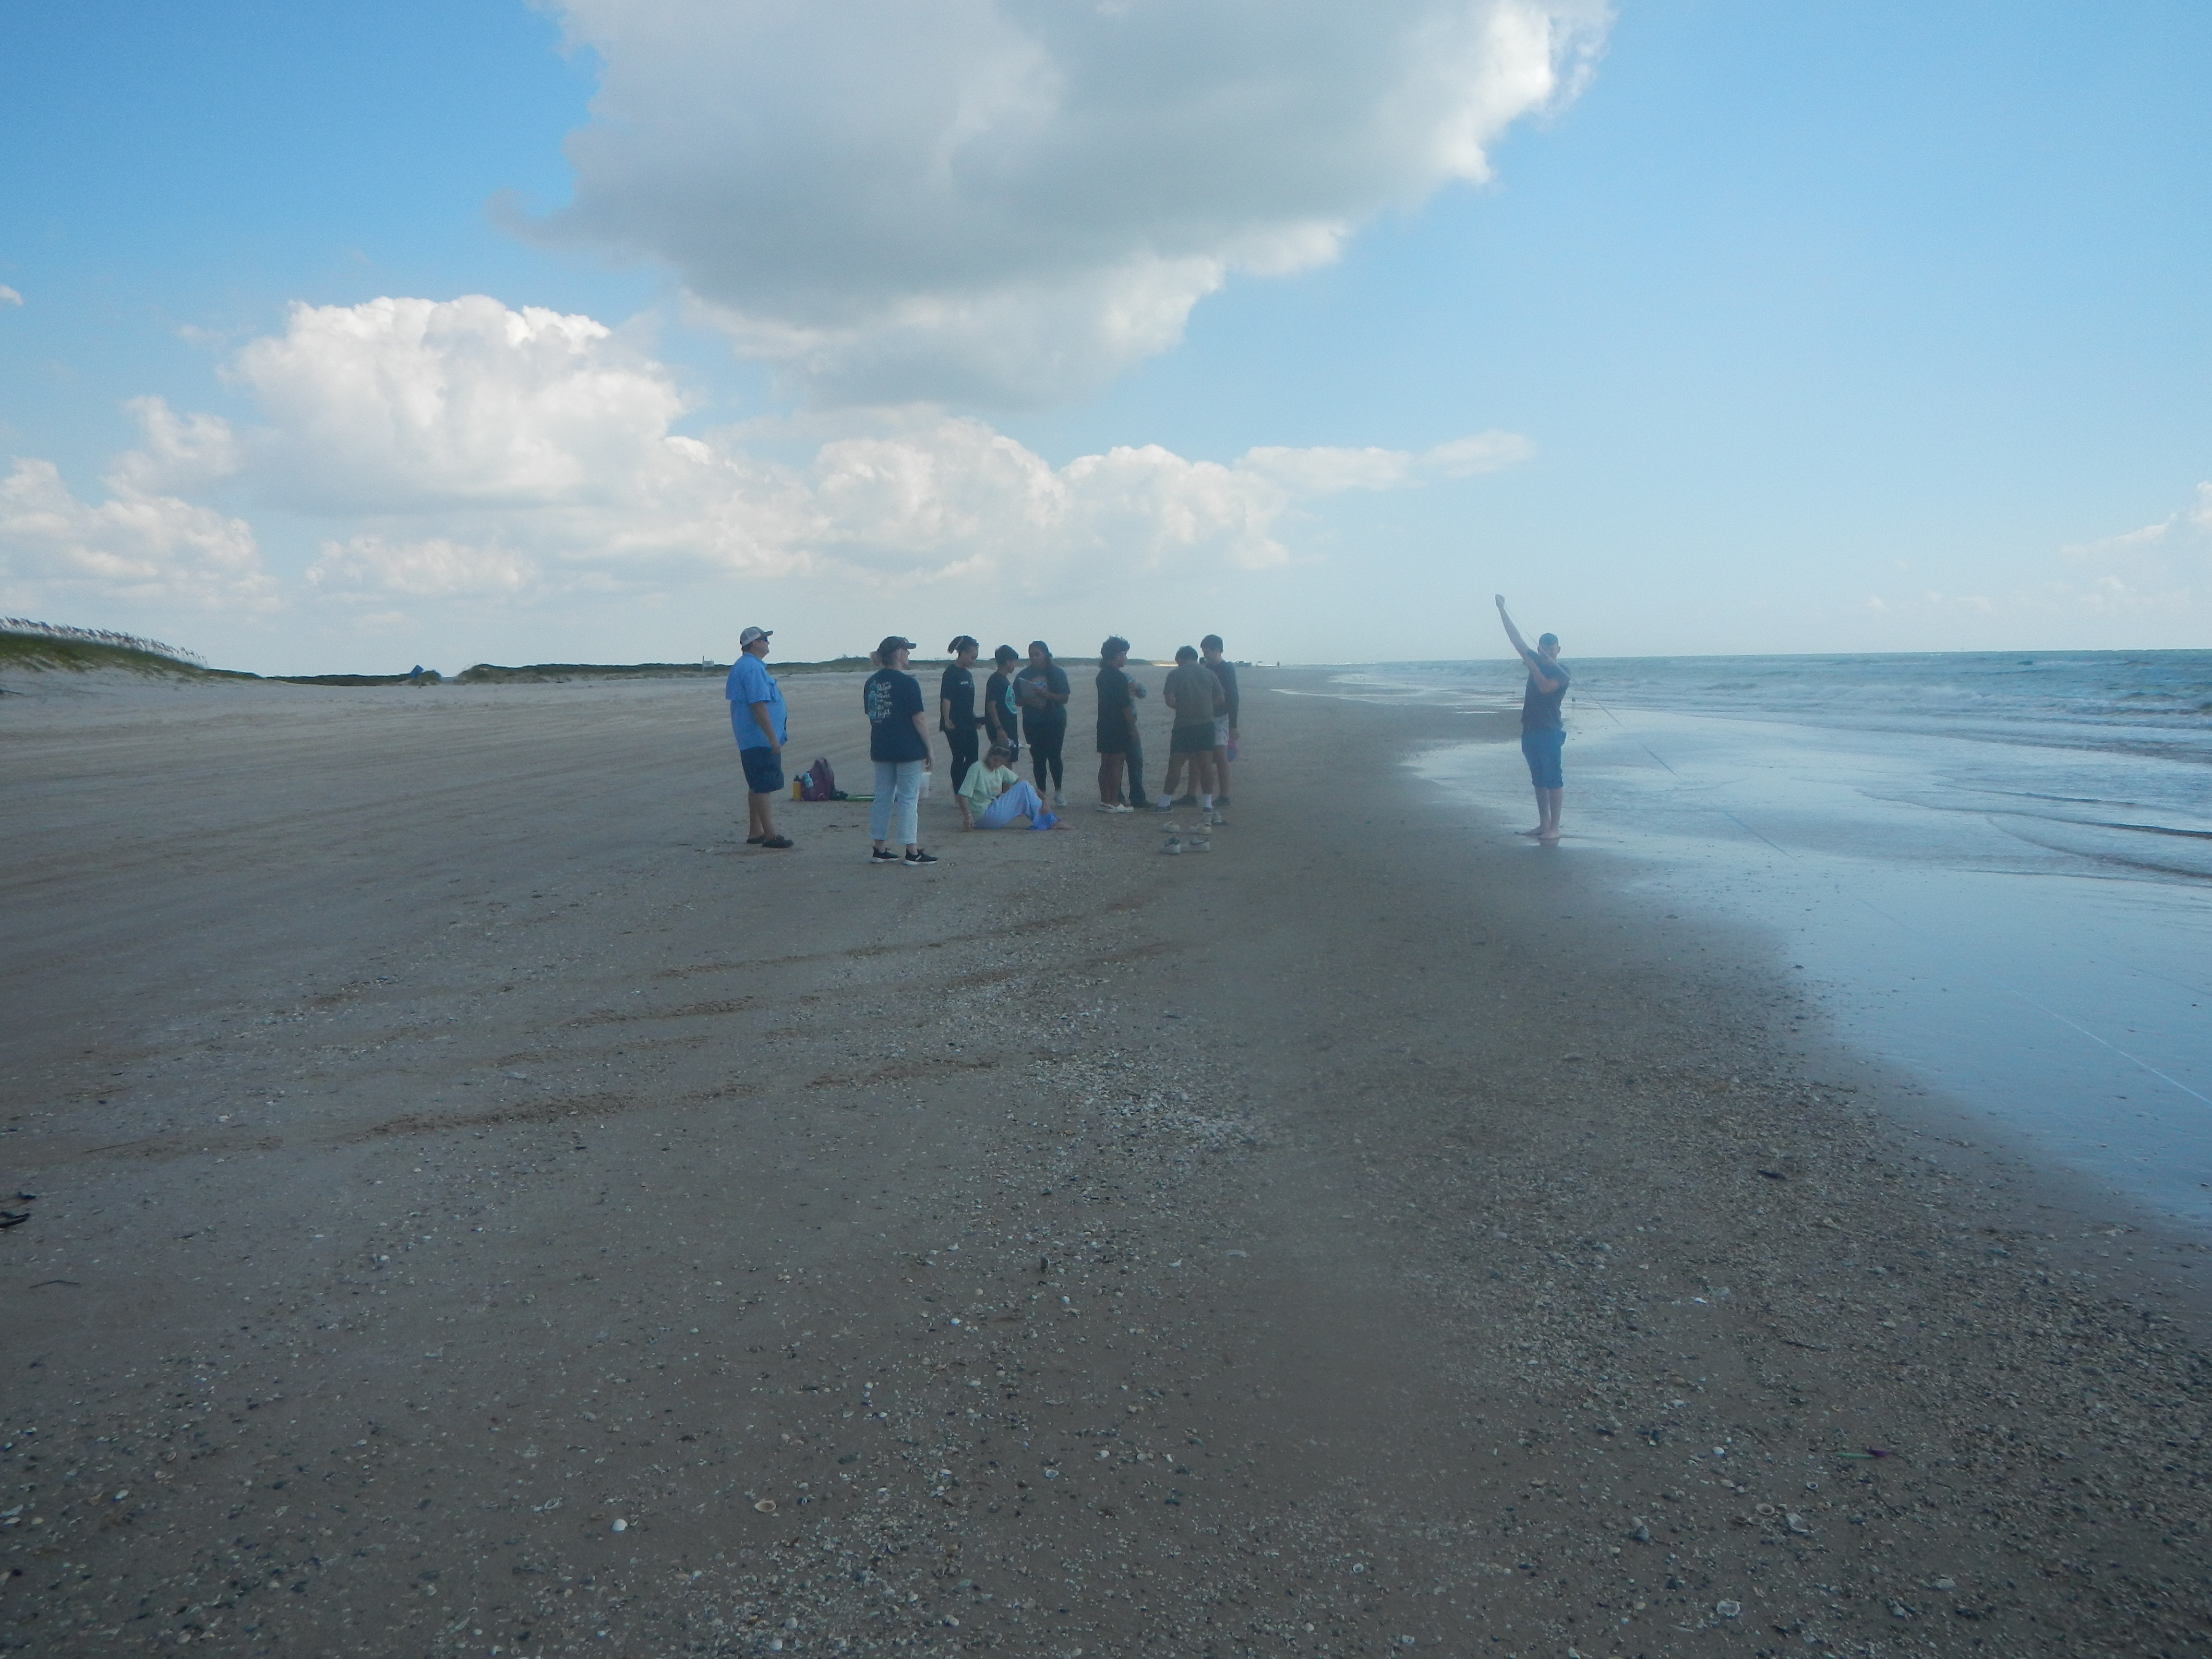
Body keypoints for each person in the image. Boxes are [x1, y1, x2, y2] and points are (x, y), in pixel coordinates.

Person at [1496, 595, 1569, 844]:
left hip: (1550, 730)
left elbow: (1546, 687)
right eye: (1544, 649)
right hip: (1530, 728)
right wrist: (1502, 610)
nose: (1548, 652)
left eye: (1552, 648)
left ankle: (1555, 827)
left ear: (1558, 650)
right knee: (1538, 778)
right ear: (1539, 649)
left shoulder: (1562, 671)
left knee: (1553, 777)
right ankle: (1543, 824)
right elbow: (1515, 639)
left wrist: (1533, 665)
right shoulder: (1535, 659)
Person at [863, 636, 937, 866]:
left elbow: (872, 714)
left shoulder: (872, 683)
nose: (908, 655)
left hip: (881, 745)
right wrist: (929, 749)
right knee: (908, 798)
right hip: (907, 748)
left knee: (883, 797)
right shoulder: (908, 683)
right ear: (897, 654)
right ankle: (912, 850)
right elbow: (919, 719)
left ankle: (879, 847)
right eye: (906, 650)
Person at [726, 624, 793, 849]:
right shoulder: (752, 669)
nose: (768, 643)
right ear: (755, 643)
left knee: (757, 784)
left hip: (751, 739)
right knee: (764, 785)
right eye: (765, 639)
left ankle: (756, 831)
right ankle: (770, 835)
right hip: (759, 739)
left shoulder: (747, 666)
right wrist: (772, 738)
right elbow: (758, 705)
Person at [1157, 645, 1226, 821]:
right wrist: (1206, 708)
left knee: (1176, 765)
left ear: (1181, 659)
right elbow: (1220, 698)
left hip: (1184, 725)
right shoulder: (1210, 674)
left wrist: (1183, 707)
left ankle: (1165, 803)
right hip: (1206, 725)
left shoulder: (1175, 675)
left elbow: (1170, 700)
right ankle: (1207, 804)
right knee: (1205, 765)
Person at [1014, 639, 1071, 807]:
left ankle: (1059, 791)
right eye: (1031, 655)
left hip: (1054, 720)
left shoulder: (1057, 673)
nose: (1034, 658)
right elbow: (1016, 699)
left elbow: (1064, 697)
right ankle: (1042, 793)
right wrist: (1028, 700)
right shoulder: (1023, 675)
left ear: (1045, 655)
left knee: (1054, 756)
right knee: (1038, 758)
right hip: (1033, 721)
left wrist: (1046, 695)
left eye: (1037, 654)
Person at [957, 744, 1062, 830]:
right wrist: (968, 816)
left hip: (991, 811)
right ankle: (1050, 822)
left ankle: (1049, 820)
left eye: (1001, 762)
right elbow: (962, 795)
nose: (997, 764)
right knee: (1023, 786)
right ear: (989, 756)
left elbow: (1026, 785)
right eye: (995, 760)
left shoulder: (1001, 769)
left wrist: (1044, 799)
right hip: (983, 816)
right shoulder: (977, 768)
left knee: (1024, 786)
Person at [1094, 636, 1140, 810]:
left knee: (1106, 762)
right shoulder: (1118, 677)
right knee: (1117, 762)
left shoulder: (1102, 675)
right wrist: (1132, 727)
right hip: (1118, 724)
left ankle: (1105, 799)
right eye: (1124, 654)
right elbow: (1125, 705)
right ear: (1117, 655)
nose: (1125, 658)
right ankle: (1113, 800)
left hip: (1104, 722)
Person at [939, 636, 984, 793]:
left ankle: (968, 788)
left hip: (968, 722)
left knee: (973, 758)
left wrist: (974, 720)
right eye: (972, 657)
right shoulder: (951, 673)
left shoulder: (968, 675)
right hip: (954, 723)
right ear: (963, 653)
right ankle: (959, 791)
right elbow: (947, 698)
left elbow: (967, 701)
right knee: (959, 757)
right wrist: (947, 719)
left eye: (976, 658)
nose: (973, 661)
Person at [1200, 634, 1240, 806]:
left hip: (1221, 717)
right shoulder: (1207, 669)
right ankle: (1200, 793)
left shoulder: (1226, 669)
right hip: (1206, 716)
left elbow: (1233, 697)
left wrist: (1234, 725)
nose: (1206, 655)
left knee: (1221, 754)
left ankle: (1224, 795)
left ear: (1218, 650)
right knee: (1204, 754)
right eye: (1204, 652)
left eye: (1208, 652)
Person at [983, 645, 1022, 768]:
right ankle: (1003, 788)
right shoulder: (996, 680)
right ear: (1008, 662)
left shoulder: (1004, 680)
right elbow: (991, 705)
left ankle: (1006, 788)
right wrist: (999, 728)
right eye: (1014, 662)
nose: (1015, 666)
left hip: (1009, 726)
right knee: (1002, 762)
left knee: (1008, 761)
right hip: (1002, 728)